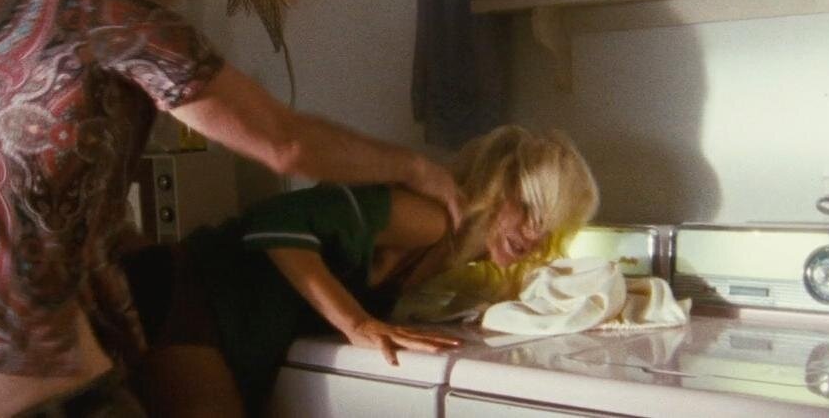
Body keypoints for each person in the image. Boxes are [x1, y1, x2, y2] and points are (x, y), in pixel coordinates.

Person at [0, 0, 464, 416]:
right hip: (27, 376)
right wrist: (416, 167)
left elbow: (16, 192)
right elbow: (284, 142)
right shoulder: (112, 14)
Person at [125, 126, 600, 416]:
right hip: (194, 290)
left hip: (223, 310)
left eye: (549, 227)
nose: (534, 236)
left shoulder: (455, 257)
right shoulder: (431, 218)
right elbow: (274, 220)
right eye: (529, 209)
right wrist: (358, 324)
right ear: (498, 186)